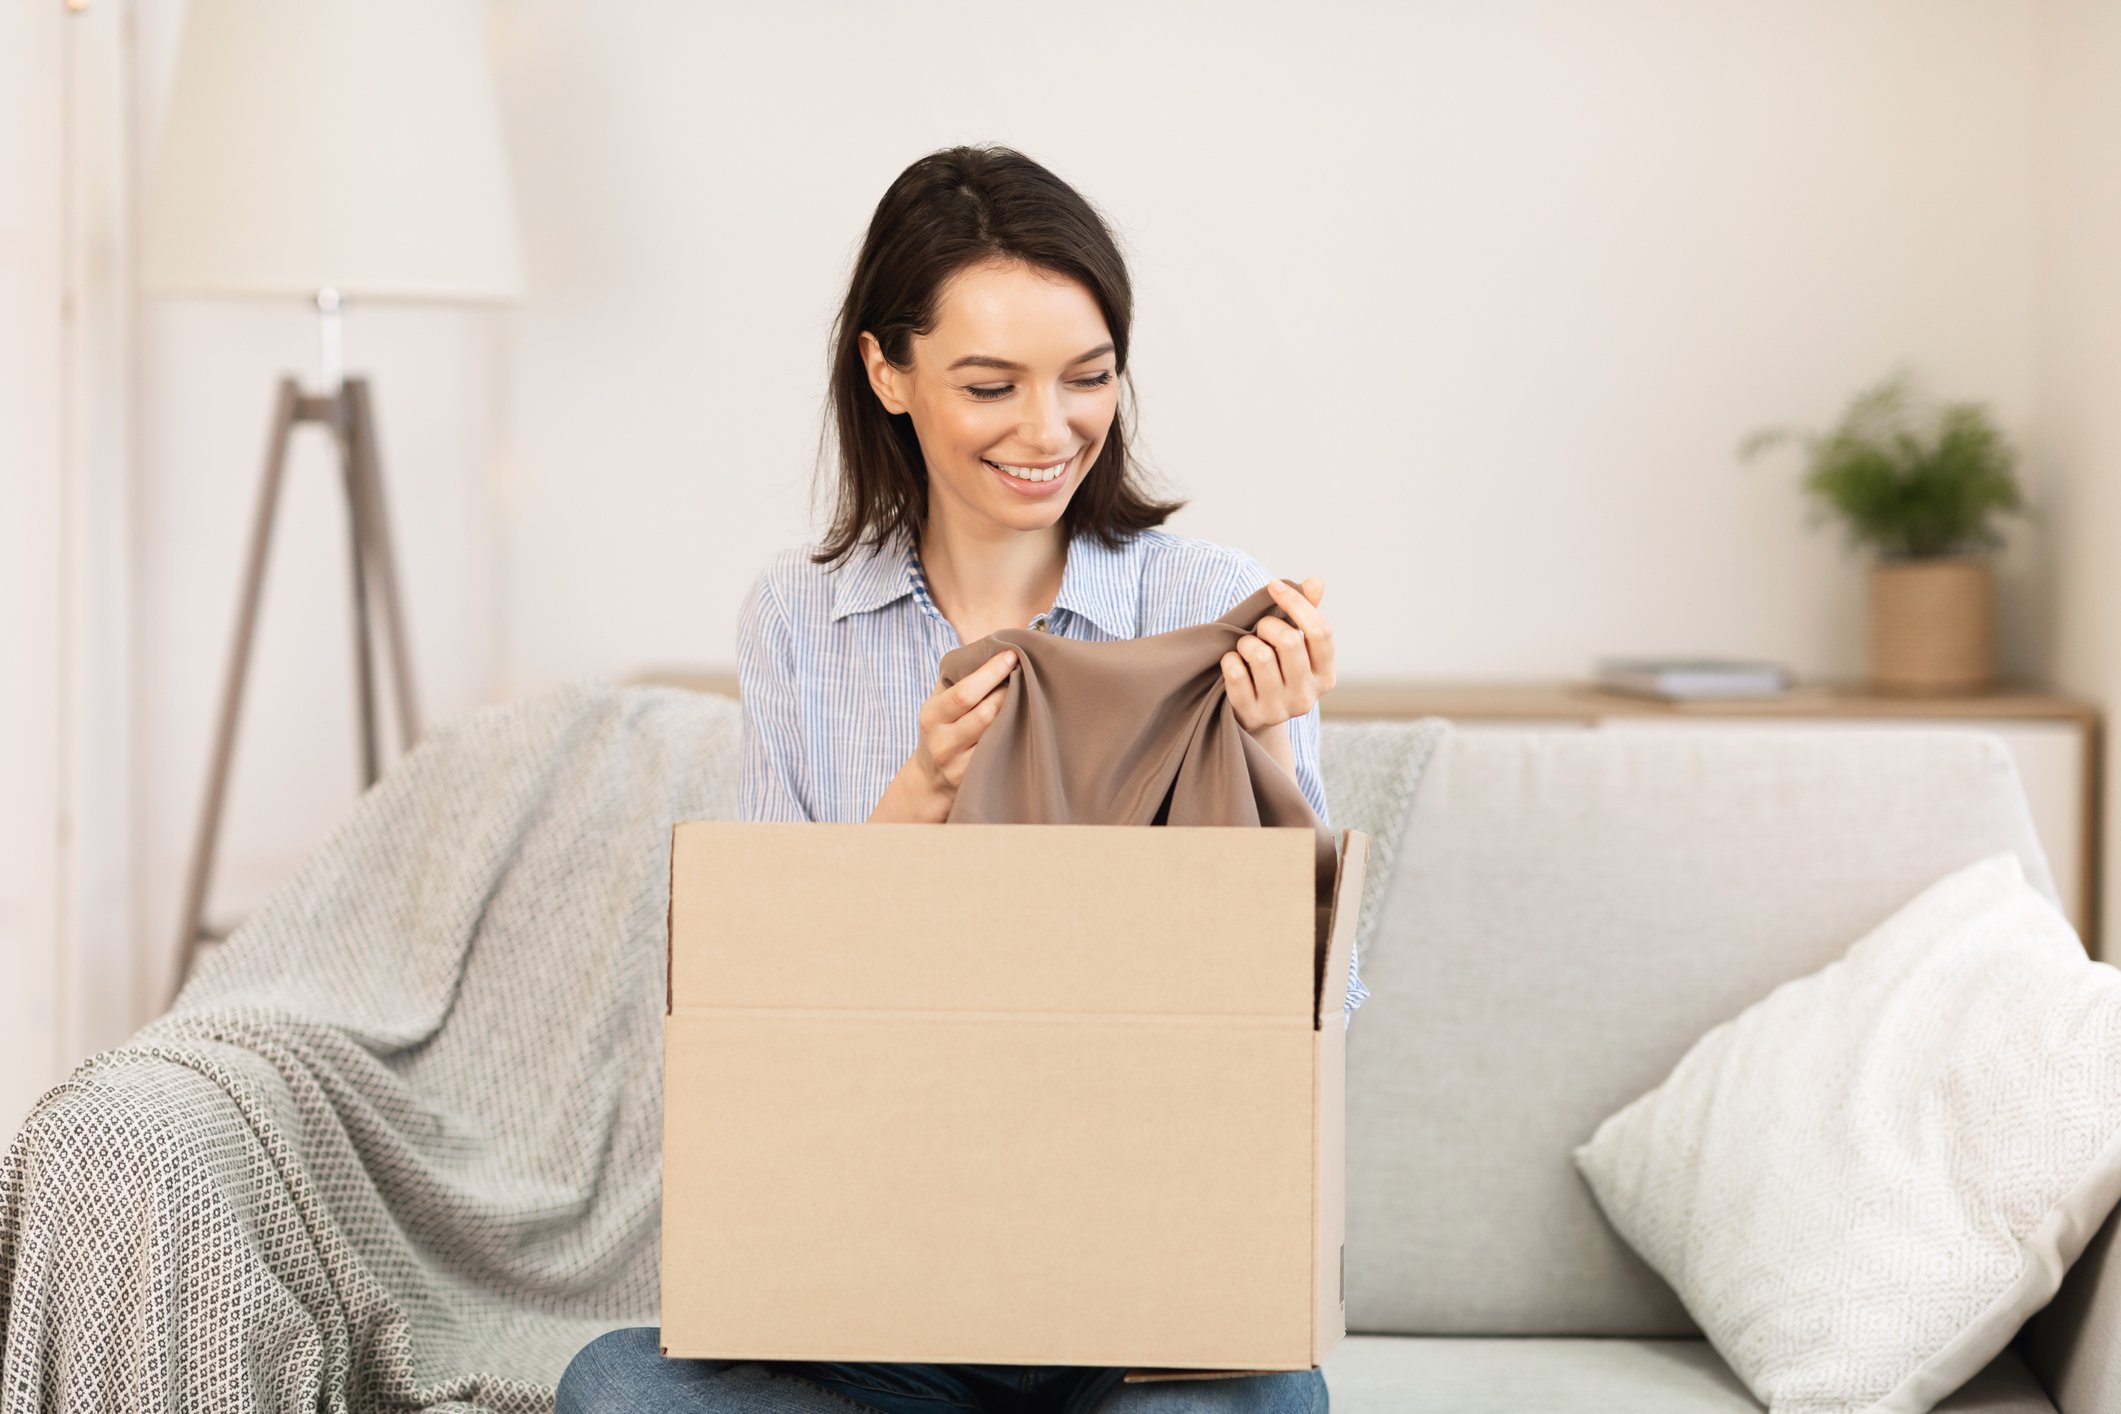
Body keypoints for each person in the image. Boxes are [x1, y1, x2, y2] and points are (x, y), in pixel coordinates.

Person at [558, 144, 1342, 1414]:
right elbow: (766, 1011)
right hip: (885, 1293)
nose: (1051, 431)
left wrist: (1259, 762)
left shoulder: (1204, 604)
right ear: (888, 372)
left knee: (1268, 1401)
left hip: (1151, 1298)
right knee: (616, 1388)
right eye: (993, 385)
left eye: (1089, 378)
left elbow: (1315, 1019)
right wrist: (925, 787)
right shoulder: (801, 622)